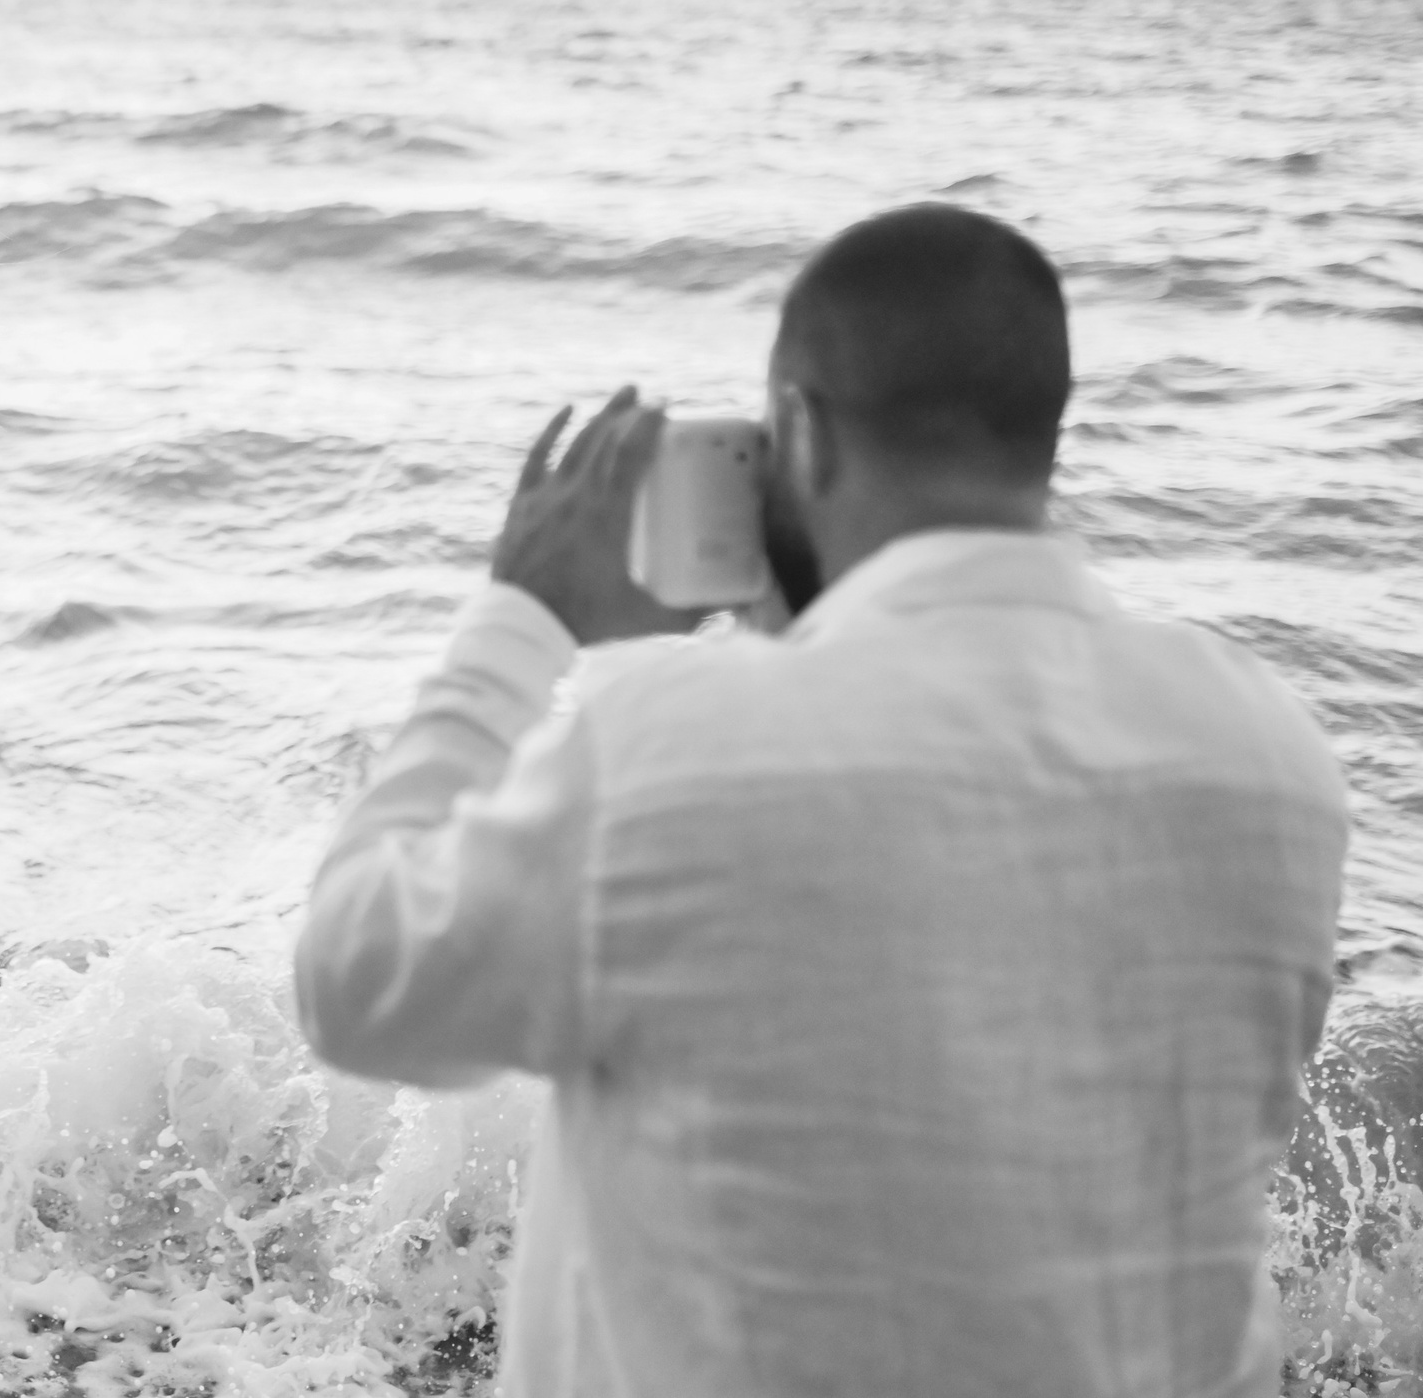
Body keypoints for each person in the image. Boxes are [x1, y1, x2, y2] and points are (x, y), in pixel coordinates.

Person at [294, 204, 1348, 1397]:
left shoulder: (678, 750)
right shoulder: (1270, 750)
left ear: (797, 427)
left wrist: (518, 618)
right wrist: (811, 632)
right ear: (1041, 433)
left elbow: (353, 980)